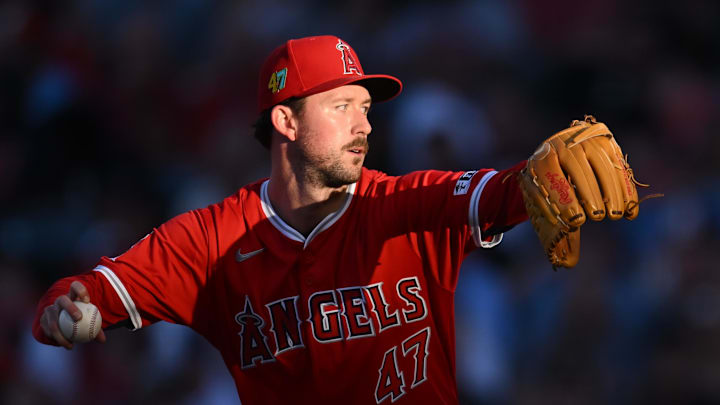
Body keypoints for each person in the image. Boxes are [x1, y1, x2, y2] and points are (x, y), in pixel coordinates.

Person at [33, 35, 529, 404]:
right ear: (285, 121)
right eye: (341, 107)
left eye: (365, 108)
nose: (364, 125)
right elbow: (85, 292)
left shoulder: (405, 204)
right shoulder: (213, 240)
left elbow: (503, 191)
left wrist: (548, 178)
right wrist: (64, 310)